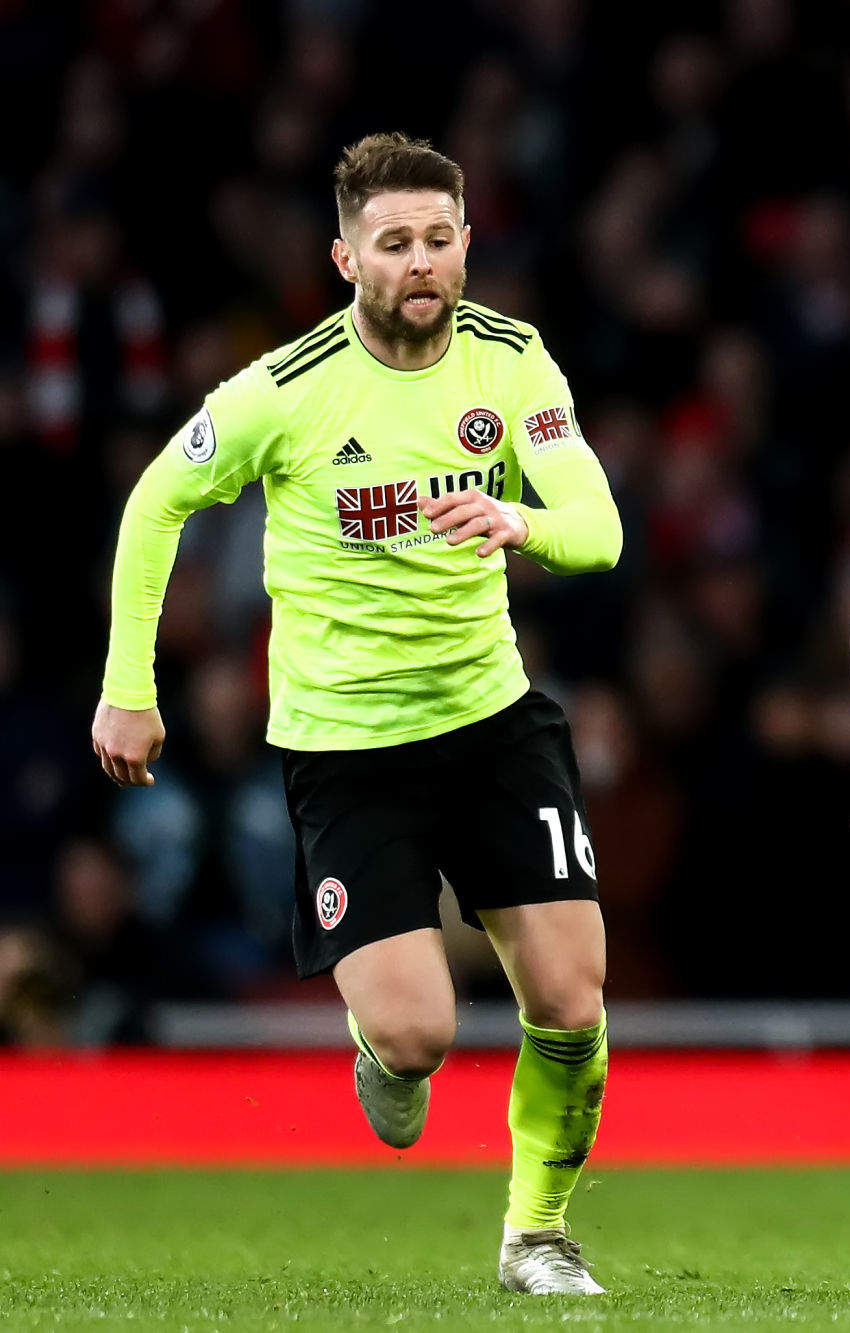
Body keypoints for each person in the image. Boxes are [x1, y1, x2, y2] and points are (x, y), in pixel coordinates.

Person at [91, 133, 622, 1293]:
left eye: (438, 239)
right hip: (346, 748)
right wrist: (129, 684)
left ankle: (536, 1235)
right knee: (419, 1036)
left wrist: (521, 523)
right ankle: (383, 1044)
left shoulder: (512, 361)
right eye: (392, 244)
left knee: (571, 999)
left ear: (466, 244)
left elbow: (599, 528)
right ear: (346, 259)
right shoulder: (283, 390)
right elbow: (155, 501)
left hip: (490, 720)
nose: (419, 263)